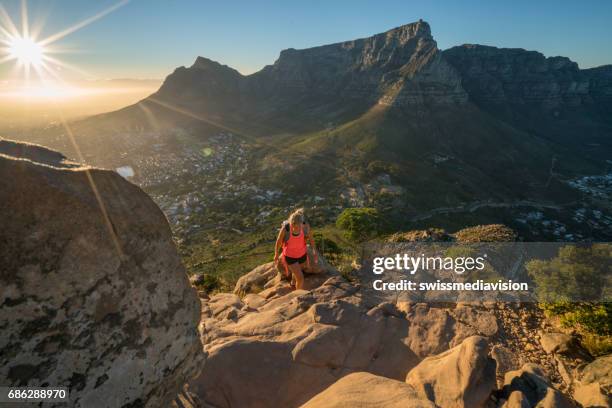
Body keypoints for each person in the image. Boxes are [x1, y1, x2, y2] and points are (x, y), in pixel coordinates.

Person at [274, 208, 318, 290]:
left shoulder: (305, 227)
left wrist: (314, 250)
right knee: (300, 278)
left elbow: (311, 239)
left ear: (302, 223)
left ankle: (293, 282)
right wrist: (276, 253)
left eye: (299, 226)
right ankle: (298, 295)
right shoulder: (286, 228)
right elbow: (278, 241)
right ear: (291, 223)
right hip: (290, 256)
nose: (297, 228)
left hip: (301, 254)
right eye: (295, 226)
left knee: (298, 271)